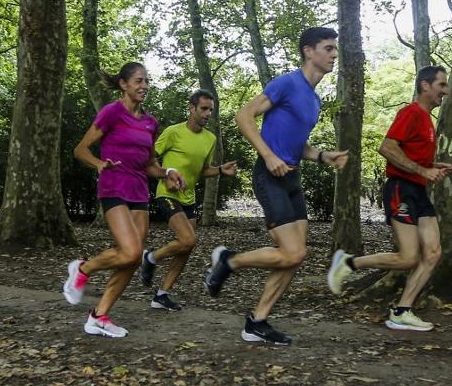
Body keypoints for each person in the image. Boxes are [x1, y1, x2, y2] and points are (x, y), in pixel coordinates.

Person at [204, 27, 349, 345]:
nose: (334, 54)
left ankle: (257, 322)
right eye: (328, 48)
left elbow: (298, 146)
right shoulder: (287, 83)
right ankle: (229, 261)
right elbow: (244, 116)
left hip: (292, 178)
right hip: (269, 176)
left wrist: (323, 156)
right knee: (293, 251)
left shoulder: (313, 100)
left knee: (295, 256)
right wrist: (267, 155)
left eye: (335, 49)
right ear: (308, 52)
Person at [326, 65, 452, 331]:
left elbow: (413, 156)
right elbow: (387, 147)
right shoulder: (411, 113)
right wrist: (422, 170)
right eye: (441, 85)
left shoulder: (427, 121)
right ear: (425, 85)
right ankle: (348, 262)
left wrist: (433, 166)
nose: (446, 91)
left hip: (418, 191)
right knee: (409, 257)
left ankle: (401, 311)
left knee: (432, 253)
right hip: (401, 189)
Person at [64, 62, 185, 338]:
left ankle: (99, 316)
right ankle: (83, 268)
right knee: (130, 252)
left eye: (147, 82)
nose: (144, 86)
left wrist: (167, 173)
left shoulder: (150, 122)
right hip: (114, 187)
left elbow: (150, 165)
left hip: (139, 192)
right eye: (139, 81)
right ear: (124, 84)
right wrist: (97, 163)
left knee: (131, 260)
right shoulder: (112, 113)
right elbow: (80, 150)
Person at [139, 89, 238, 311]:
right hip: (167, 193)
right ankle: (151, 258)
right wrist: (166, 174)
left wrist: (221, 170)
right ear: (191, 108)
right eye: (203, 109)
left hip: (189, 197)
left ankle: (161, 295)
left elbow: (203, 170)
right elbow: (148, 160)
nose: (207, 114)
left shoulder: (210, 138)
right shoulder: (173, 132)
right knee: (188, 240)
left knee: (186, 247)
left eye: (210, 110)